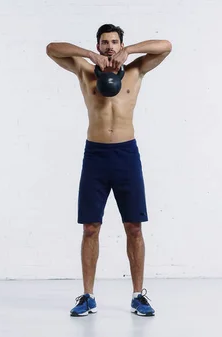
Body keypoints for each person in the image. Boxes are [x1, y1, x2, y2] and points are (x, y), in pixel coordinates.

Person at [46, 24, 172, 317]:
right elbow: (52, 48)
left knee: (134, 228)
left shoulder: (135, 70)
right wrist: (89, 55)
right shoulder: (85, 71)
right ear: (99, 46)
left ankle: (138, 295)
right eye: (105, 43)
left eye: (115, 42)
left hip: (127, 155)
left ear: (121, 45)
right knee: (90, 228)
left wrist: (132, 50)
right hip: (96, 156)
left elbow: (165, 45)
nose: (110, 47)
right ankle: (88, 295)